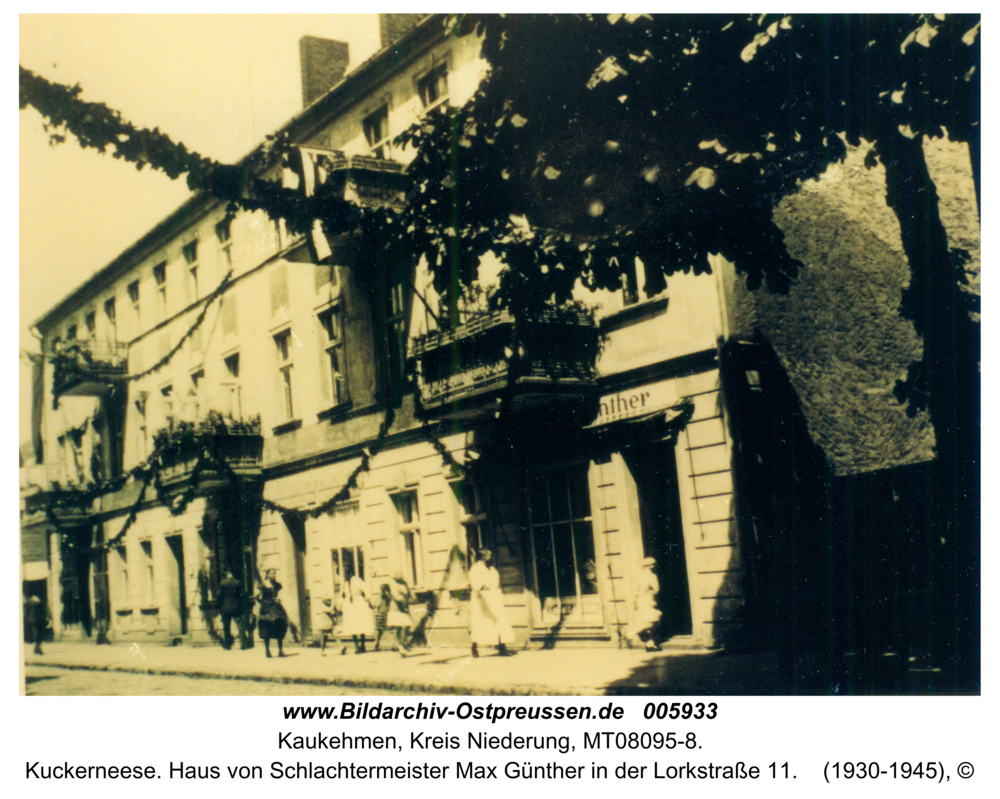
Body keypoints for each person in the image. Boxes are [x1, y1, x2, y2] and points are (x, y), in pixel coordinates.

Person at [468, 549, 514, 657]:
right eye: (489, 555)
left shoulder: (492, 569)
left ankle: (502, 647)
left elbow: (497, 583)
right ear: (483, 557)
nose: (491, 557)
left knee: (500, 621)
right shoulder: (475, 569)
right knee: (479, 624)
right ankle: (474, 648)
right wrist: (483, 587)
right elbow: (475, 583)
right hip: (481, 601)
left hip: (493, 599)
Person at [626, 557, 662, 651]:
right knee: (652, 622)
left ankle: (650, 644)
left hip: (640, 601)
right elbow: (657, 589)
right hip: (648, 600)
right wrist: (652, 594)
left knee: (646, 622)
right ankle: (633, 632)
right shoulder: (651, 576)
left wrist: (634, 602)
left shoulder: (639, 577)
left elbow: (635, 592)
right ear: (651, 566)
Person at [339, 567, 375, 654]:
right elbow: (343, 595)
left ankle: (362, 645)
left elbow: (366, 588)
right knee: (352, 625)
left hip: (358, 603)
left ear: (349, 573)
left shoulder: (357, 580)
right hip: (350, 605)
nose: (344, 576)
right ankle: (356, 646)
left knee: (361, 624)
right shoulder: (345, 583)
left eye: (345, 574)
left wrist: (367, 598)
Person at [255, 568, 288, 658]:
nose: (274, 575)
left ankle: (280, 650)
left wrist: (279, 599)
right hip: (266, 609)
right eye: (272, 574)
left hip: (277, 608)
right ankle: (267, 650)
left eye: (274, 573)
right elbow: (257, 596)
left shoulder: (277, 585)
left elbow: (281, 594)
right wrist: (263, 602)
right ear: (267, 575)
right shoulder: (263, 585)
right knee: (267, 628)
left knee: (280, 625)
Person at [386, 574, 415, 657]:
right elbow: (396, 597)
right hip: (396, 609)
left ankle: (401, 644)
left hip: (404, 608)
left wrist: (409, 597)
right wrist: (402, 598)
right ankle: (400, 646)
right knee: (398, 627)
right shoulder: (394, 585)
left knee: (406, 626)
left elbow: (408, 593)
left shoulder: (404, 584)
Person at [217, 571, 243, 650]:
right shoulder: (238, 582)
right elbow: (241, 594)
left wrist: (220, 604)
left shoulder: (223, 583)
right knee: (240, 625)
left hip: (225, 608)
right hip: (236, 607)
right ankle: (243, 643)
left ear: (226, 575)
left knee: (226, 626)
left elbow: (219, 595)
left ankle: (227, 645)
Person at [372, 584, 391, 652]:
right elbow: (375, 605)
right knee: (378, 630)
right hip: (380, 614)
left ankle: (393, 644)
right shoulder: (379, 597)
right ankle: (376, 643)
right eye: (381, 590)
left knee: (388, 630)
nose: (381, 591)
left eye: (383, 590)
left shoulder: (388, 597)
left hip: (386, 614)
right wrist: (375, 612)